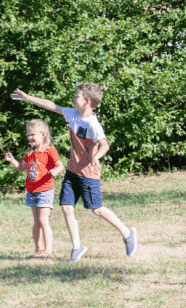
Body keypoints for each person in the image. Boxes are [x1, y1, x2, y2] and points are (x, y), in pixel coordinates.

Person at [10, 84, 137, 262]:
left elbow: (105, 145)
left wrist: (96, 157)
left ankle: (127, 232)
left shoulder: (93, 124)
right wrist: (28, 98)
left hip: (88, 173)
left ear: (88, 101)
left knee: (96, 209)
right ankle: (77, 246)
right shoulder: (73, 114)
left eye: (77, 96)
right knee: (66, 206)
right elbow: (52, 105)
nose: (74, 99)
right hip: (72, 170)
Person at [4, 119, 64, 257]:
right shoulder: (30, 152)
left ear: (42, 135)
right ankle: (39, 249)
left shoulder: (50, 151)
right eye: (28, 135)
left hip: (45, 190)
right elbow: (21, 168)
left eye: (32, 134)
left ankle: (48, 250)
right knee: (36, 221)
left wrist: (55, 171)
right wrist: (12, 160)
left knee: (43, 220)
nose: (30, 138)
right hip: (32, 191)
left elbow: (60, 165)